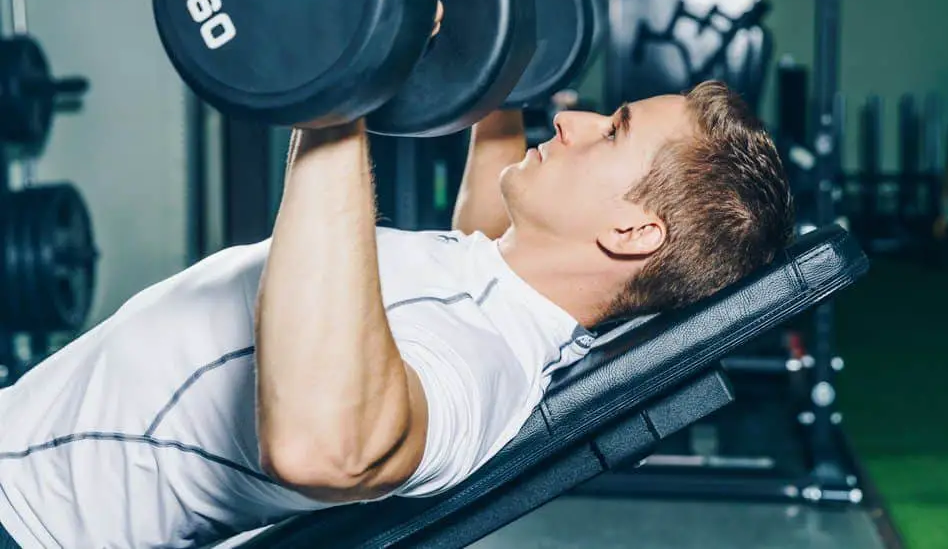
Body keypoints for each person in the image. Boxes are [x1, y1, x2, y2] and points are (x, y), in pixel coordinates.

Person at [0, 79, 792, 548]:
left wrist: (336, 98)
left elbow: (327, 444)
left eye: (612, 130)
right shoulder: (504, 291)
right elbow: (486, 223)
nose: (573, 118)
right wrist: (497, 80)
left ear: (632, 230)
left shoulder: (480, 361)